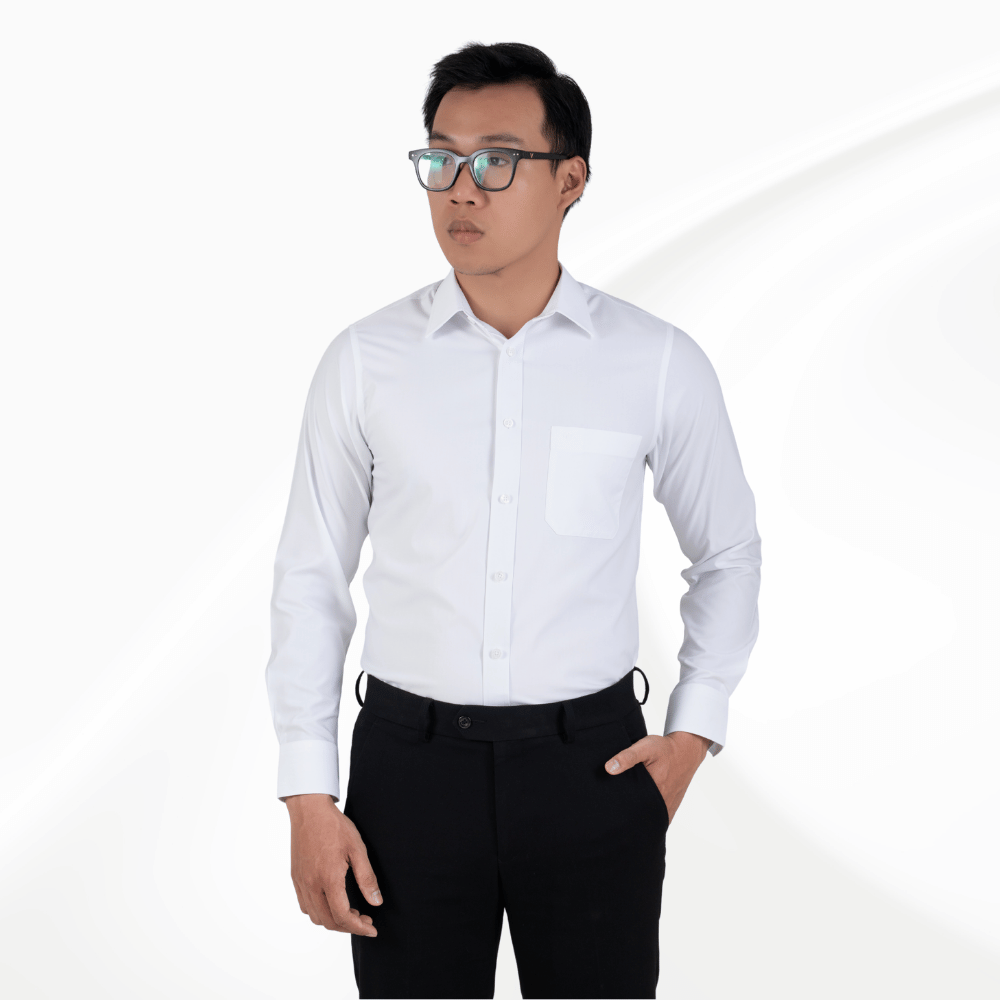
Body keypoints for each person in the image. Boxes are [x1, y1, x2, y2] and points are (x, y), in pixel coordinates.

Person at [265, 40, 761, 1000]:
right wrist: (307, 794)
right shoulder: (364, 362)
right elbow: (310, 579)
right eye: (441, 159)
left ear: (570, 180)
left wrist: (692, 736)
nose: (462, 189)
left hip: (593, 769)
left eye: (496, 160)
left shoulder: (655, 362)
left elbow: (729, 553)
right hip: (408, 775)